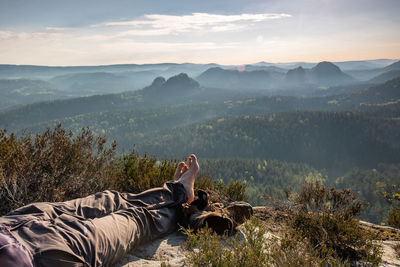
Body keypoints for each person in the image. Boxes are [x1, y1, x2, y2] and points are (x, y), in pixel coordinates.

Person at [0, 154, 200, 267]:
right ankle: (180, 203)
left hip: (12, 224)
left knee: (108, 199)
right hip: (47, 257)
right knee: (133, 221)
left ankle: (178, 190)